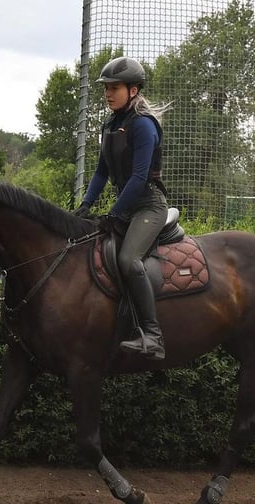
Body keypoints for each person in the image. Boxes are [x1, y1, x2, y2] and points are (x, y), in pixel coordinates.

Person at [73, 56, 171, 360]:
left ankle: (153, 336)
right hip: (126, 207)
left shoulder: (143, 125)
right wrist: (86, 205)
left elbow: (140, 178)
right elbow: (102, 172)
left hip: (148, 207)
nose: (107, 93)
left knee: (129, 260)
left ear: (133, 90)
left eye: (114, 87)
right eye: (106, 88)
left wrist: (115, 213)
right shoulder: (110, 124)